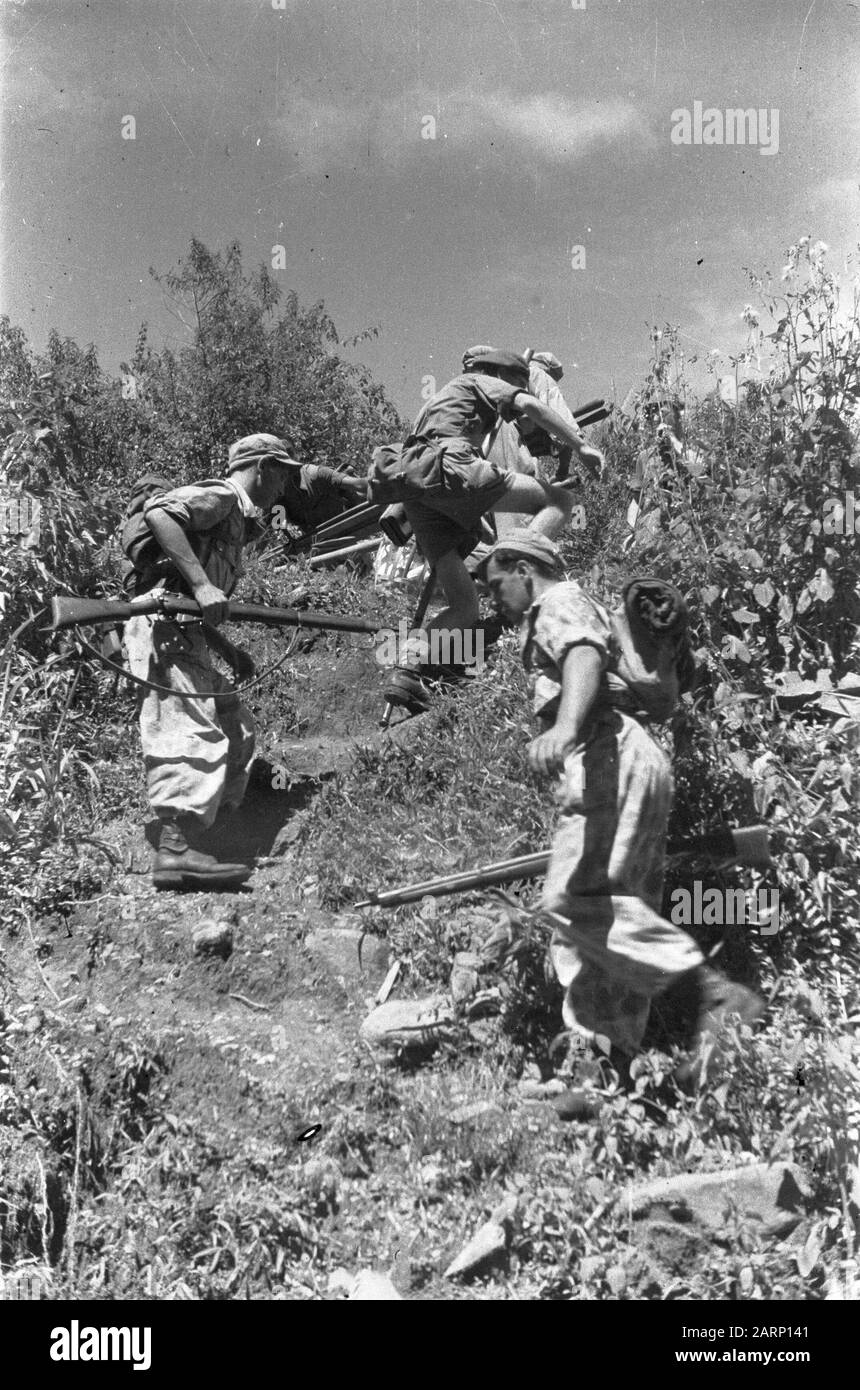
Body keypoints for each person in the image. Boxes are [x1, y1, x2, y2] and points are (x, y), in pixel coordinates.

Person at [480, 530, 763, 1101]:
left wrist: (563, 728)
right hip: (630, 757)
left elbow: (581, 653)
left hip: (607, 753)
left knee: (570, 899)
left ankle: (707, 991)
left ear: (521, 569)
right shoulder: (590, 607)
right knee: (608, 921)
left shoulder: (556, 602)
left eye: (495, 584)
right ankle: (597, 1073)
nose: (493, 600)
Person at [369, 349, 604, 711]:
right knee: (558, 502)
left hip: (418, 493)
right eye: (516, 382)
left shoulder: (434, 404)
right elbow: (533, 408)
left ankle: (407, 670)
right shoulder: (477, 380)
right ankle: (509, 572)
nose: (515, 389)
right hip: (453, 468)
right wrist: (581, 444)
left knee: (465, 606)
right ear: (498, 374)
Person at [123, 433, 294, 890]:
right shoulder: (221, 496)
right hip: (162, 628)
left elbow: (196, 601)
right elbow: (160, 513)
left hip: (187, 632)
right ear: (261, 467)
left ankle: (209, 833)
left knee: (237, 728)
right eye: (281, 471)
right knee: (187, 727)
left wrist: (227, 648)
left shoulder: (237, 520)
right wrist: (202, 585)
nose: (283, 484)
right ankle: (176, 849)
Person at [270, 455, 369, 541]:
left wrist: (380, 484)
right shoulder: (277, 497)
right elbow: (275, 527)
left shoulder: (317, 474)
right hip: (317, 548)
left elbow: (358, 485)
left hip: (347, 538)